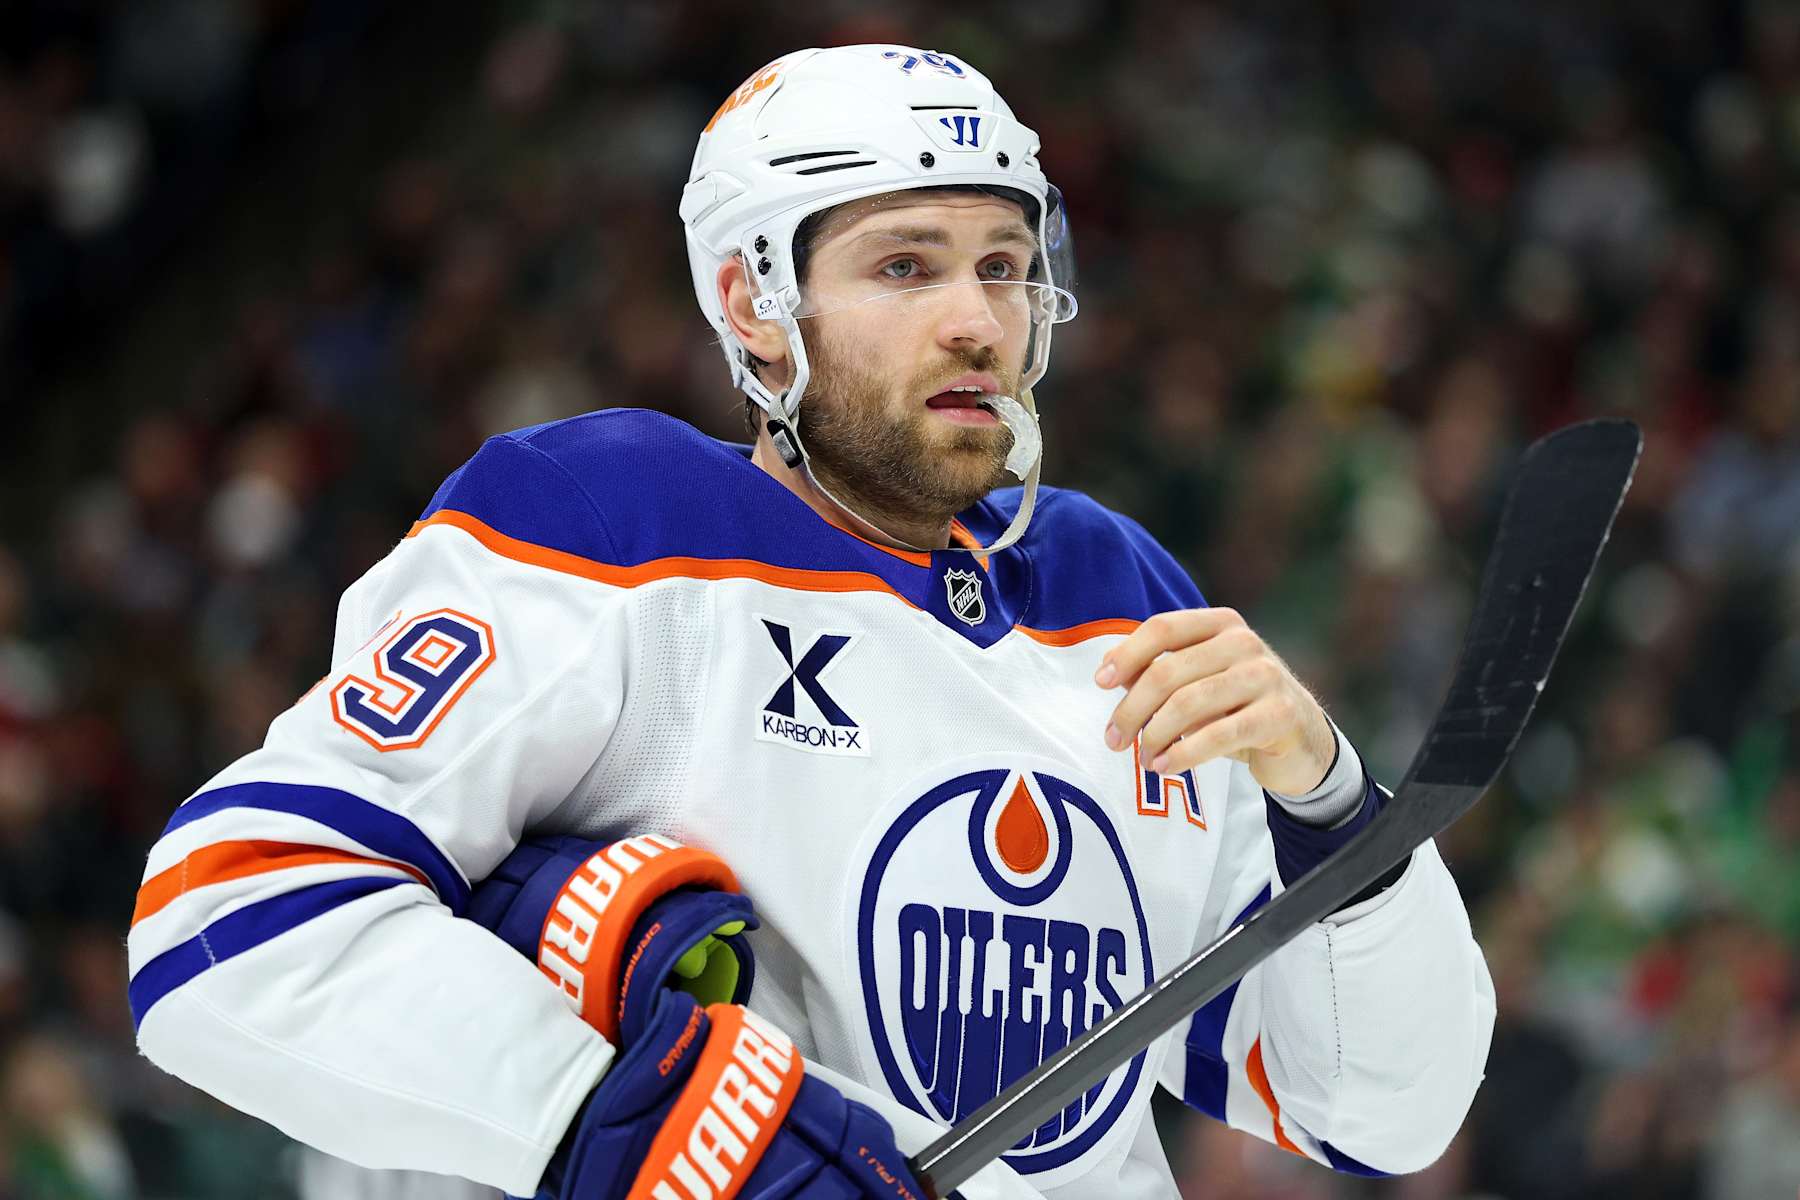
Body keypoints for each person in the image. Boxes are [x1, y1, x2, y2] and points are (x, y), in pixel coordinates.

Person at [125, 44, 1495, 1200]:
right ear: (754, 307)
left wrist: (1329, 800)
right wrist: (613, 1126)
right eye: (906, 267)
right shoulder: (610, 525)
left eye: (1005, 266)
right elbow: (227, 921)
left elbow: (1385, 1109)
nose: (978, 320)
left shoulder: (1122, 602)